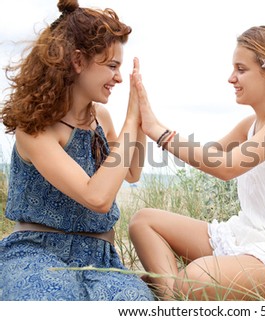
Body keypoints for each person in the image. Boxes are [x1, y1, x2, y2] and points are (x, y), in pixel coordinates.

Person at [129, 26, 265, 301]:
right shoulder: (250, 125)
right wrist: (147, 124)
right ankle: (174, 293)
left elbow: (226, 167)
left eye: (241, 69)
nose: (231, 78)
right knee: (144, 222)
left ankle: (172, 288)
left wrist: (160, 131)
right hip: (245, 235)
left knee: (199, 275)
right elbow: (209, 154)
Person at [0, 0, 154, 301]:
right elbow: (96, 196)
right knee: (54, 300)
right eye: (111, 66)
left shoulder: (101, 119)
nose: (119, 78)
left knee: (134, 304)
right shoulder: (37, 129)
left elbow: (133, 172)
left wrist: (139, 120)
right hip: (37, 251)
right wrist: (131, 120)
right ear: (78, 61)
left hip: (100, 257)